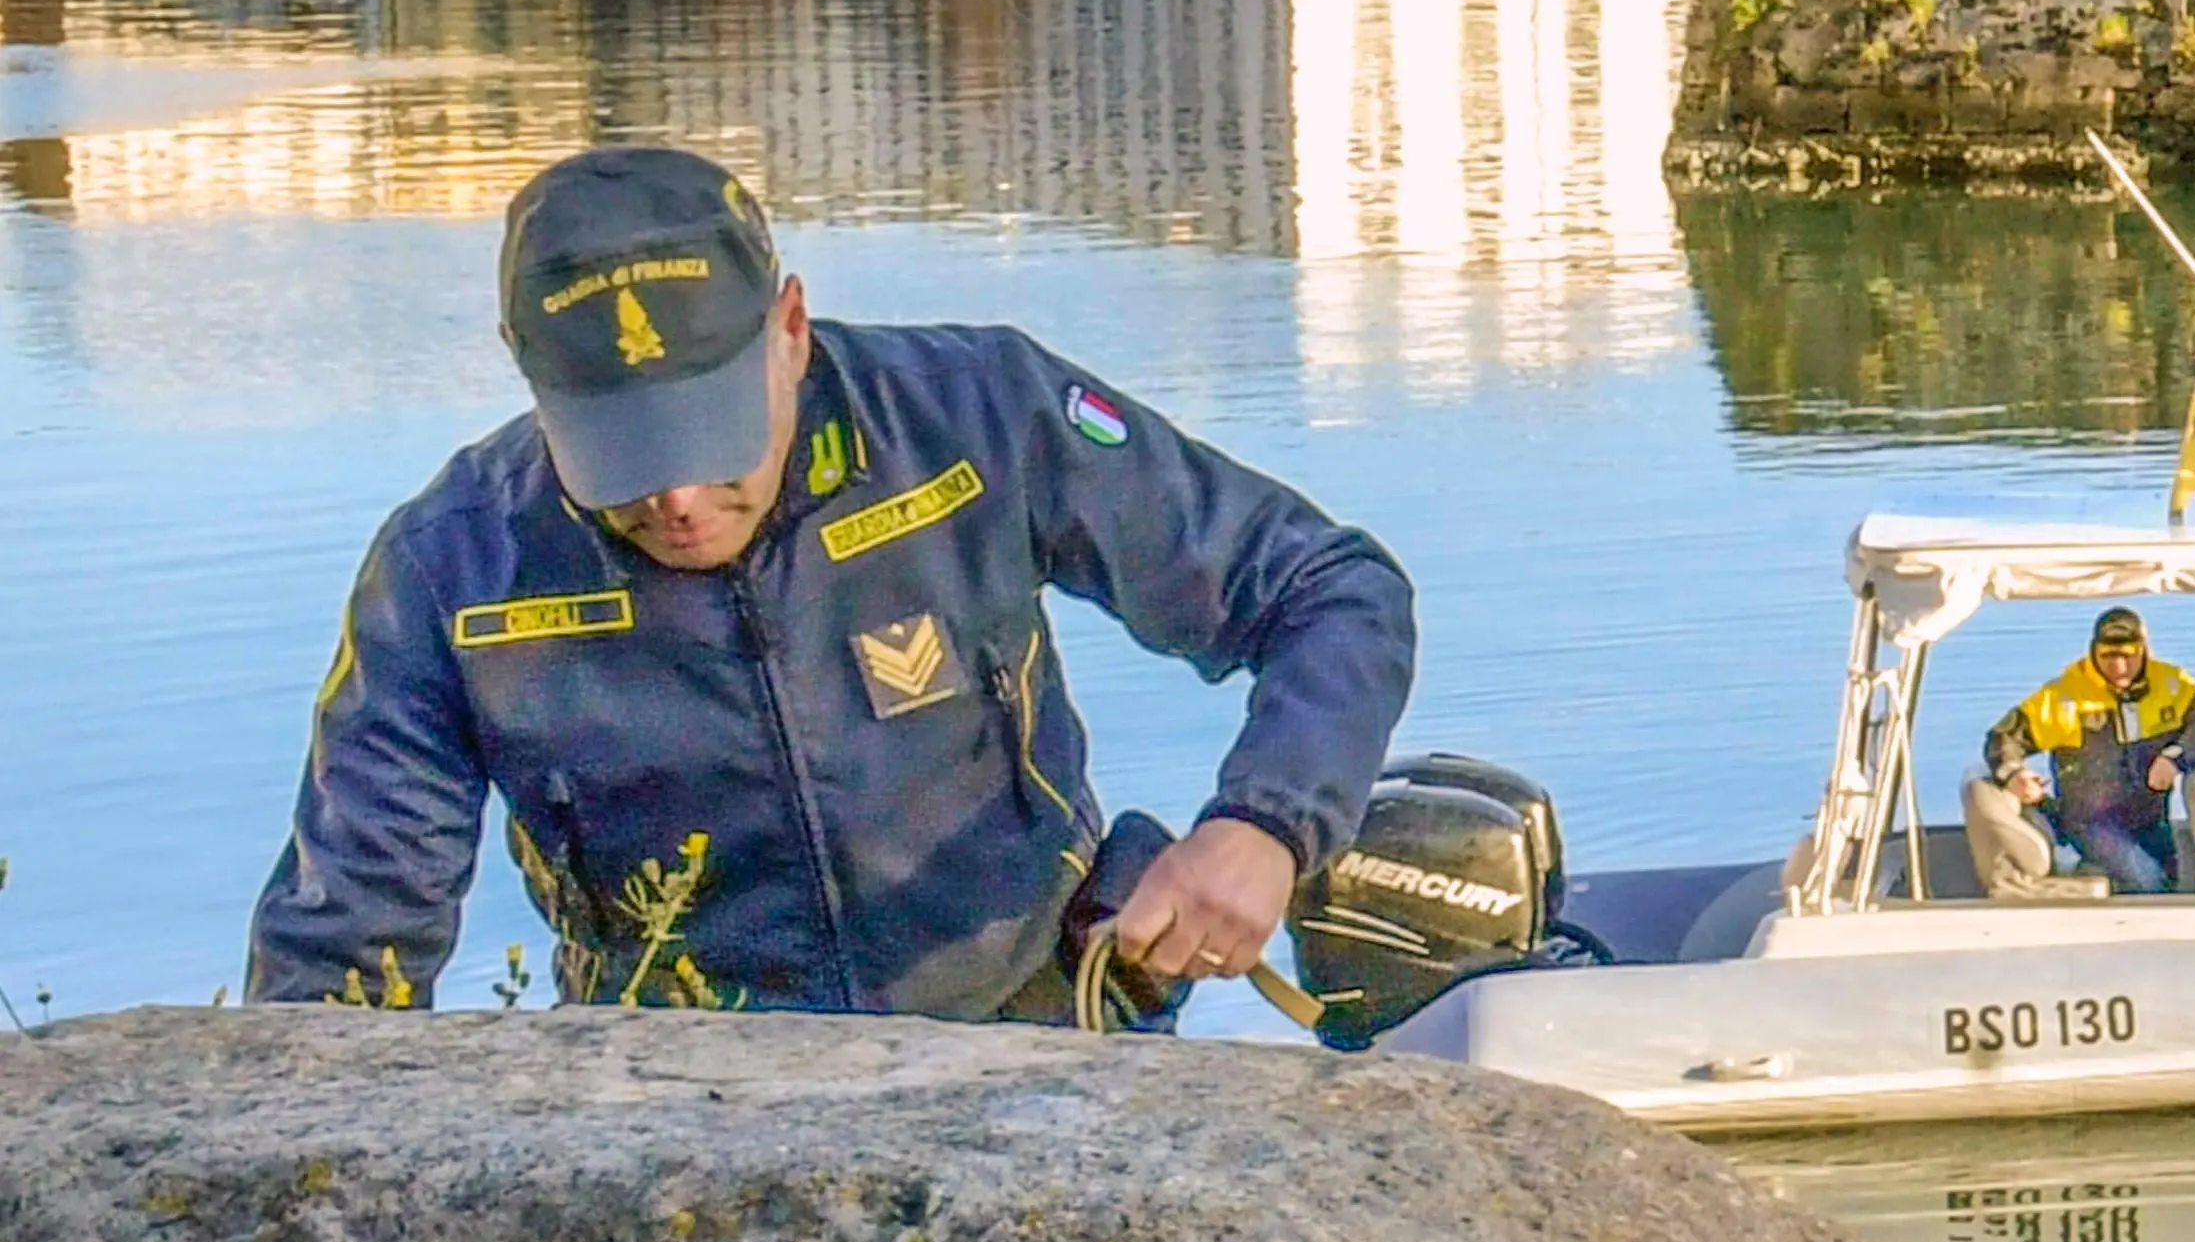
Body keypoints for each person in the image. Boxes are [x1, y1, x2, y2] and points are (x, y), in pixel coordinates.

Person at [249, 142, 1416, 1020]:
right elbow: (348, 945)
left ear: (792, 327)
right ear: (527, 376)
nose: (678, 501)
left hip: (1035, 1035)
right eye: (625, 457)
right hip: (670, 1104)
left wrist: (1264, 824)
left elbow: (1327, 589)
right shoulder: (451, 568)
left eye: (711, 438)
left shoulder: (978, 419)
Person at [1977, 606, 2195, 896]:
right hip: (2089, 822)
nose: (2119, 667)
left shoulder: (2171, 686)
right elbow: (2003, 737)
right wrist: (2014, 773)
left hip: (2149, 818)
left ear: (2143, 651)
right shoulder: (2065, 697)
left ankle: (2107, 883)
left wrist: (2176, 756)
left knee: (2170, 880)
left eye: (2127, 656)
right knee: (2147, 883)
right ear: (2093, 652)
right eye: (2108, 657)